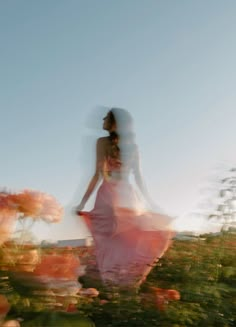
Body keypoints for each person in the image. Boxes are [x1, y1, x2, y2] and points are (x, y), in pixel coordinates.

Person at [76, 108, 174, 287]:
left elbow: (98, 175)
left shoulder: (102, 143)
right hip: (128, 195)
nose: (103, 120)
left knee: (110, 240)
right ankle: (126, 280)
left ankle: (116, 281)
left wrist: (83, 202)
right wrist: (150, 202)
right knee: (128, 237)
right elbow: (138, 178)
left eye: (106, 118)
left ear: (114, 123)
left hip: (110, 194)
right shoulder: (132, 147)